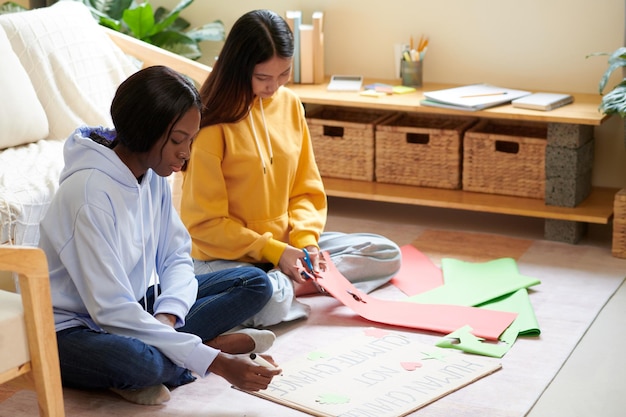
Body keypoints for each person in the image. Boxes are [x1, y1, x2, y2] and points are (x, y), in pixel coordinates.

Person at [38, 65, 281, 406]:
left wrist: (167, 316)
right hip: (73, 331)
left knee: (253, 282)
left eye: (191, 139)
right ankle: (203, 350)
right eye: (178, 140)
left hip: (135, 308)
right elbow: (110, 311)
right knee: (141, 363)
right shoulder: (88, 194)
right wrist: (216, 364)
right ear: (144, 131)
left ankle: (180, 351)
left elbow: (177, 255)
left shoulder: (152, 175)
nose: (186, 153)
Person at [179, 10, 402, 328]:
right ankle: (287, 284)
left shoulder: (290, 105)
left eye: (283, 74)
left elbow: (305, 188)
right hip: (225, 257)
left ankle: (291, 280)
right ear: (238, 69)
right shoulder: (209, 125)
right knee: (267, 297)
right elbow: (204, 225)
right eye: (263, 78)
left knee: (385, 252)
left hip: (286, 247)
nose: (274, 87)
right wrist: (274, 251)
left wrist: (306, 242)